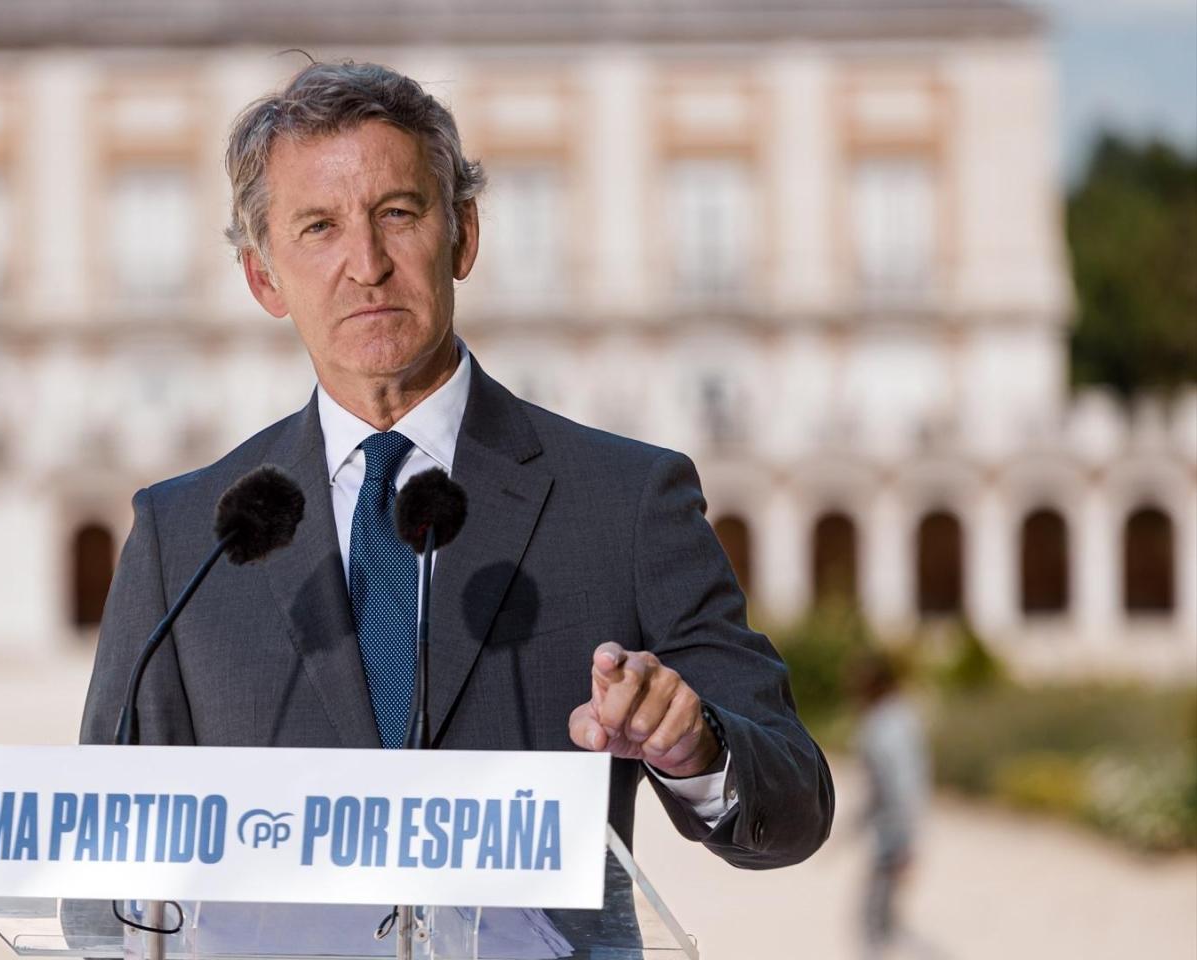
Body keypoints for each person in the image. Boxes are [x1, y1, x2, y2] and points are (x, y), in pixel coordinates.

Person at [80, 59, 832, 869]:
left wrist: (700, 749)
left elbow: (793, 803)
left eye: (397, 213)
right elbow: (107, 862)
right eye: (318, 228)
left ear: (463, 234)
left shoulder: (625, 502)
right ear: (264, 277)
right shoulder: (184, 536)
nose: (366, 264)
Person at [850, 653, 929, 957]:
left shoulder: (887, 725)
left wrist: (903, 842)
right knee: (882, 920)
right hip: (890, 833)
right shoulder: (899, 717)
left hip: (893, 837)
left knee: (875, 923)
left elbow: (902, 786)